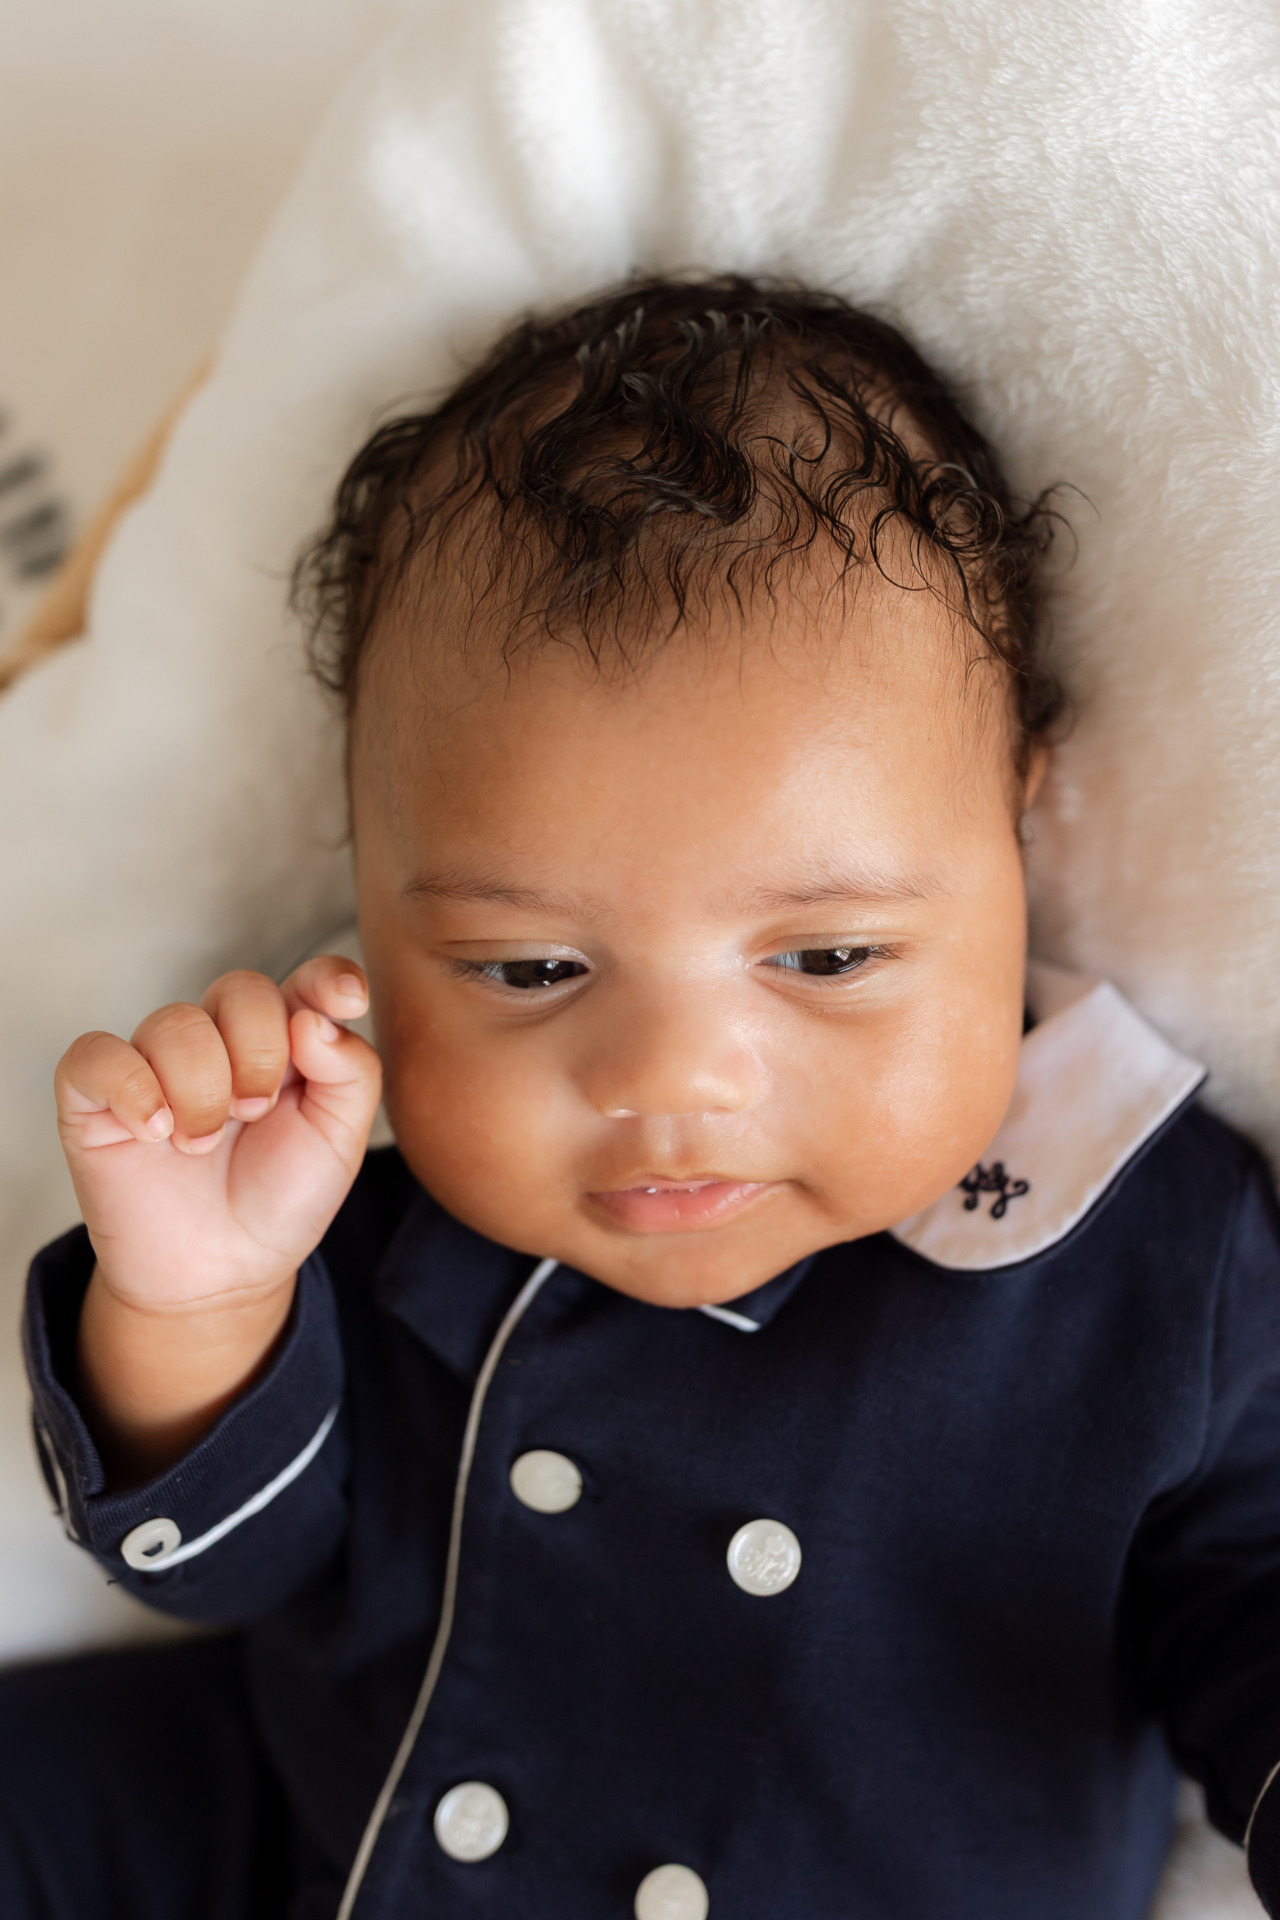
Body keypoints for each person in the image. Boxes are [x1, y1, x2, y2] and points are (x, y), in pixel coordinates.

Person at [9, 276, 1280, 1920]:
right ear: (369, 895)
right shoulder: (370, 1196)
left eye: (829, 956)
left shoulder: (1138, 1248)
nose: (670, 1079)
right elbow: (233, 1575)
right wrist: (200, 1302)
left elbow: (1250, 1588)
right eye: (530, 968)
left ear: (1017, 831)